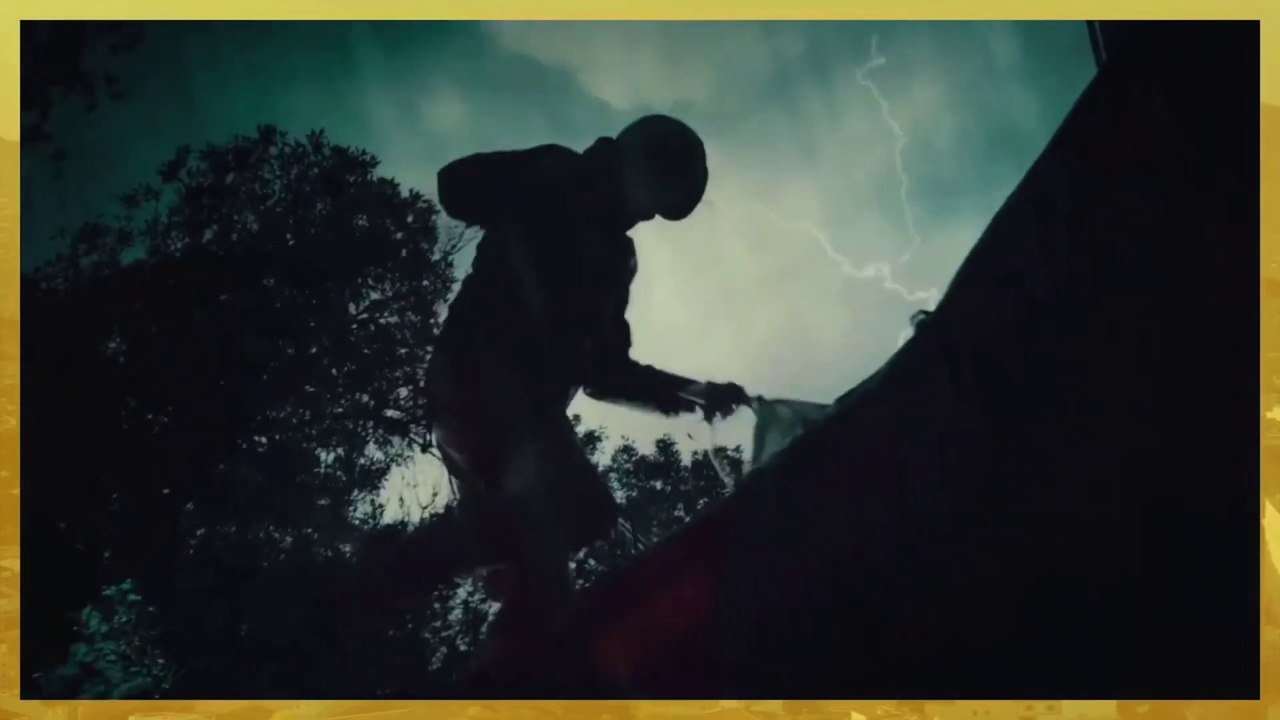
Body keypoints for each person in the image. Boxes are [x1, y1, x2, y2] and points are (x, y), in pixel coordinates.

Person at [375, 115, 750, 682]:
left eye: (659, 210)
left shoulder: (615, 261)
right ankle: (393, 568)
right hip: (477, 379)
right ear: (635, 165)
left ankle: (508, 670)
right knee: (581, 511)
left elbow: (605, 373)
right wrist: (531, 192)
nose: (646, 216)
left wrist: (697, 394)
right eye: (653, 199)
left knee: (544, 574)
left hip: (522, 418)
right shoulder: (557, 176)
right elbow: (456, 186)